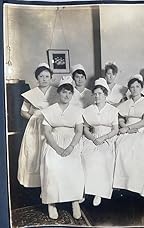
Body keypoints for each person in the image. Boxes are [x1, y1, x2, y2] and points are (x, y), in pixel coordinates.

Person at [40, 76, 84, 220]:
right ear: (59, 93)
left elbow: (79, 131)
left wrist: (71, 146)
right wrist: (57, 148)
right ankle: (51, 203)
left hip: (71, 141)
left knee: (73, 167)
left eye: (70, 93)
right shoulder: (50, 110)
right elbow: (46, 132)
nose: (67, 95)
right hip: (54, 141)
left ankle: (75, 201)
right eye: (64, 92)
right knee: (51, 166)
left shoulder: (77, 110)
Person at [17, 63, 58, 188]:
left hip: (51, 126)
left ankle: (51, 183)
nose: (44, 79)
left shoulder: (56, 92)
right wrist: (34, 119)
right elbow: (23, 111)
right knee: (34, 153)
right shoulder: (31, 94)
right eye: (41, 76)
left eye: (47, 76)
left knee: (50, 154)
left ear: (51, 78)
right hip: (35, 127)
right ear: (37, 78)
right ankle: (36, 184)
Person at [81, 78, 119, 206]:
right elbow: (85, 128)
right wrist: (93, 138)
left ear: (105, 95)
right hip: (92, 136)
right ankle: (85, 190)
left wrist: (104, 138)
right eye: (95, 94)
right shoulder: (88, 110)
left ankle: (99, 192)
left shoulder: (112, 110)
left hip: (108, 137)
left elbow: (115, 130)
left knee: (104, 157)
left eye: (100, 94)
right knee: (86, 156)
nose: (97, 96)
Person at [113, 74, 144, 194]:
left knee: (137, 150)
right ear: (129, 89)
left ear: (141, 88)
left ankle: (136, 184)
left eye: (137, 86)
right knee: (121, 147)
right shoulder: (126, 103)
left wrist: (129, 128)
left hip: (140, 130)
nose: (134, 89)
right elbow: (120, 118)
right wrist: (125, 127)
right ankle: (123, 184)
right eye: (132, 87)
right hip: (126, 130)